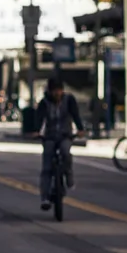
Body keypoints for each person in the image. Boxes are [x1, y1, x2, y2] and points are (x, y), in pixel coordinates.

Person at [33, 78, 85, 210]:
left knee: (65, 152)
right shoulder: (44, 103)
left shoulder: (69, 100)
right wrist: (36, 131)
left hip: (65, 135)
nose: (57, 93)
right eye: (54, 90)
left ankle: (68, 176)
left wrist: (80, 129)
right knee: (47, 167)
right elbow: (39, 118)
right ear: (49, 91)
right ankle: (45, 198)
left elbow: (75, 115)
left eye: (59, 90)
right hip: (50, 137)